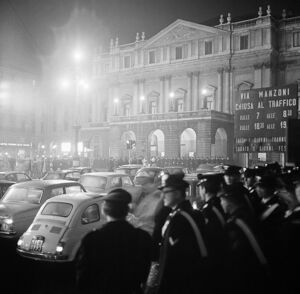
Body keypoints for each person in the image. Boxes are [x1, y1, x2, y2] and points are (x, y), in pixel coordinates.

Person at [76, 188, 153, 294]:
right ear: (127, 211)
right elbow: (144, 273)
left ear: (104, 210)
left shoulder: (93, 238)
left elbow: (83, 276)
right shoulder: (143, 237)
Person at [155, 173, 208, 294]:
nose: (162, 196)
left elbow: (174, 259)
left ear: (178, 193)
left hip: (182, 284)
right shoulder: (186, 214)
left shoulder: (180, 219)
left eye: (166, 192)